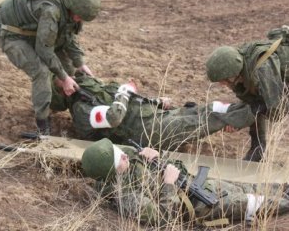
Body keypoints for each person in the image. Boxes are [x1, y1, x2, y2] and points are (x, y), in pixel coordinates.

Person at [81, 138, 289, 228]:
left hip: (194, 184)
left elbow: (173, 167)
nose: (124, 157)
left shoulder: (126, 161)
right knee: (251, 202)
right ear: (111, 171)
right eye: (119, 160)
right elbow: (163, 219)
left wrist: (156, 157)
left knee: (249, 187)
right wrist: (169, 184)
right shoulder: (127, 197)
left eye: (120, 153)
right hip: (197, 205)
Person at [51, 72, 256, 151]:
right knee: (211, 117)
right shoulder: (81, 111)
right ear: (64, 91)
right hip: (149, 133)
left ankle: (251, 106)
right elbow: (114, 118)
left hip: (154, 118)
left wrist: (156, 102)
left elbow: (128, 104)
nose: (67, 73)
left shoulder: (90, 91)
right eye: (62, 77)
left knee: (212, 108)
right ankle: (257, 110)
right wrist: (125, 90)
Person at [0, 0, 101, 135]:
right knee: (41, 72)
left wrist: (80, 64)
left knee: (70, 71)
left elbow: (67, 37)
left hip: (31, 30)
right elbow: (44, 51)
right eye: (79, 16)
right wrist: (63, 77)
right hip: (8, 32)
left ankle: (52, 100)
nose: (79, 19)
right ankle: (42, 124)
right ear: (72, 7)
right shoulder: (50, 11)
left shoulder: (68, 8)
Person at [206, 26, 289, 161]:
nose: (222, 84)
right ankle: (258, 147)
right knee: (255, 103)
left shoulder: (261, 68)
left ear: (231, 73)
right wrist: (242, 117)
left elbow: (278, 110)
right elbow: (251, 101)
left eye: (223, 80)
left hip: (280, 83)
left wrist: (246, 116)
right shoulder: (239, 65)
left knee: (260, 105)